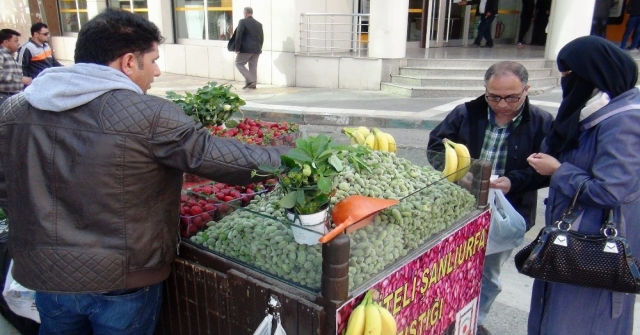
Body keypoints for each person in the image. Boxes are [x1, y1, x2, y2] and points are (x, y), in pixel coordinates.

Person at [0, 9, 288, 335]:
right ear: (127, 63)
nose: (158, 71)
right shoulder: (148, 115)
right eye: (152, 60)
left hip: (46, 275)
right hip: (122, 280)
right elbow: (231, 161)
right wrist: (296, 158)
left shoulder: (13, 109)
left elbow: (7, 188)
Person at [427, 61, 553, 335]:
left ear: (527, 90)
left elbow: (547, 171)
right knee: (448, 266)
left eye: (512, 97)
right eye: (494, 96)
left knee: (488, 272)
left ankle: (473, 321)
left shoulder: (541, 122)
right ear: (485, 90)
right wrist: (460, 175)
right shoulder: (466, 113)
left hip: (508, 211)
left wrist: (512, 181)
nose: (502, 105)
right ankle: (444, 317)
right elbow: (436, 146)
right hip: (459, 207)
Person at [526, 35, 638, 335]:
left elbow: (610, 190)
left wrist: (559, 170)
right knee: (554, 314)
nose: (567, 85)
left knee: (579, 321)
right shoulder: (596, 111)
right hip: (570, 242)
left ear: (593, 75)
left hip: (594, 249)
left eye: (569, 77)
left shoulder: (624, 121)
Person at [234, 7, 263, 89]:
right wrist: (259, 47)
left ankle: (250, 81)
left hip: (246, 49)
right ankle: (253, 84)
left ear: (245, 13)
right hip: (257, 49)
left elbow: (239, 35)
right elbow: (261, 37)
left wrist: (237, 48)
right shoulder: (259, 24)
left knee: (238, 63)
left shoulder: (242, 22)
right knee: (253, 66)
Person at [0, 29, 31, 105]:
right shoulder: (1, 54)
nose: (18, 44)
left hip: (14, 95)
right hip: (4, 96)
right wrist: (21, 79)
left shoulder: (9, 55)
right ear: (6, 42)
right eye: (15, 41)